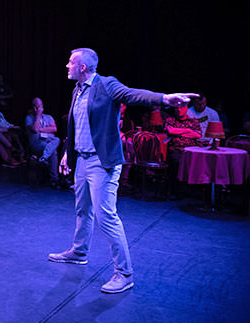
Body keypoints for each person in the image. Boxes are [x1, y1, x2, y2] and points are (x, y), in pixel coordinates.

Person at [51, 48, 197, 293]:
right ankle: (79, 251)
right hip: (82, 160)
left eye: (70, 62)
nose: (67, 66)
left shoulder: (106, 84)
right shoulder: (77, 89)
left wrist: (164, 98)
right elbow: (76, 126)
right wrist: (68, 152)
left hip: (102, 162)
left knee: (106, 216)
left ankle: (124, 273)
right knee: (82, 209)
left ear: (82, 67)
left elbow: (132, 95)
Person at [25, 97, 61, 188]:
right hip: (37, 143)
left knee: (57, 140)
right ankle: (54, 180)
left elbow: (54, 129)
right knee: (53, 151)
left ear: (42, 106)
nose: (36, 108)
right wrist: (38, 115)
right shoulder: (29, 118)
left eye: (39, 106)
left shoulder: (48, 117)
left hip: (49, 141)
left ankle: (44, 157)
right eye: (34, 106)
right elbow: (34, 129)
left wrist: (40, 130)